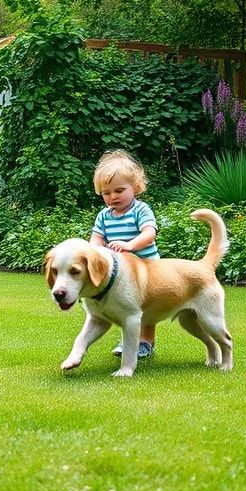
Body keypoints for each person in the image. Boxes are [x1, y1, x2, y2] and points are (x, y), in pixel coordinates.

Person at [89, 150, 158, 358]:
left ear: (135, 188)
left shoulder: (140, 210)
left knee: (147, 307)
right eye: (106, 193)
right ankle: (127, 342)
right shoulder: (104, 215)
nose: (113, 196)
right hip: (122, 271)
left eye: (119, 190)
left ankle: (146, 341)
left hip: (147, 267)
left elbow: (149, 234)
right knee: (123, 304)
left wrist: (129, 245)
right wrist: (96, 252)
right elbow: (96, 238)